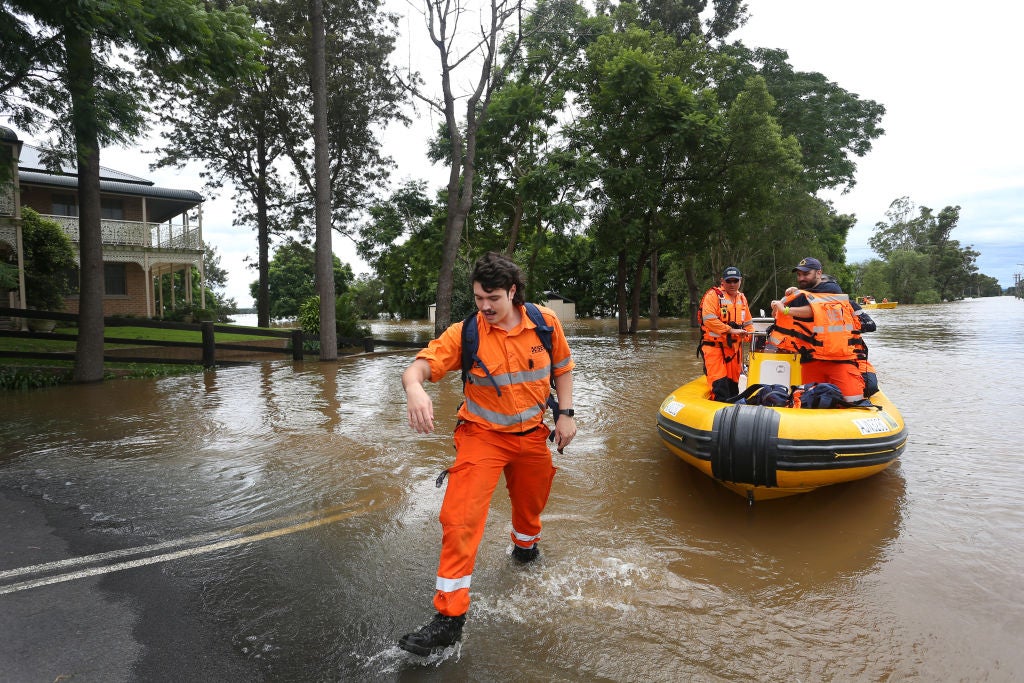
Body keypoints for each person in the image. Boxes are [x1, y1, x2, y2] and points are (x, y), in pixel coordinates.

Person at [398, 252, 577, 656]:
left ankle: (525, 548)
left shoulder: (546, 323)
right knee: (459, 518)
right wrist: (414, 388)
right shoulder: (467, 333)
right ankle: (449, 619)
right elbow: (419, 367)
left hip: (533, 435)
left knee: (531, 507)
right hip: (481, 437)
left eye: (492, 298)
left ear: (513, 292)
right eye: (479, 298)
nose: (484, 307)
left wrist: (565, 415)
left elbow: (562, 368)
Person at [769, 257, 873, 402]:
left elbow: (816, 309)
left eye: (806, 274)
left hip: (839, 360)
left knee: (854, 400)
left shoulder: (832, 290)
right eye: (799, 275)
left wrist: (786, 310)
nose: (801, 278)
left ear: (818, 273)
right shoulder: (804, 294)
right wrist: (785, 301)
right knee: (808, 401)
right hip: (811, 359)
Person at [699, 266, 755, 401]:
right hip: (715, 349)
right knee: (720, 388)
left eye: (735, 281)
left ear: (740, 281)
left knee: (733, 388)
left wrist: (752, 337)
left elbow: (748, 324)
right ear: (722, 281)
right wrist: (731, 330)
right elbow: (709, 320)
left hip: (734, 351)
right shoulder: (713, 296)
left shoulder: (742, 298)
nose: (732, 284)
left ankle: (733, 416)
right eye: (729, 281)